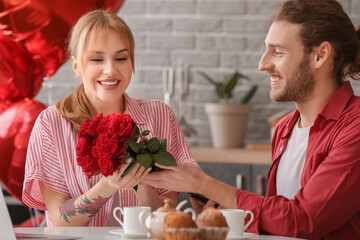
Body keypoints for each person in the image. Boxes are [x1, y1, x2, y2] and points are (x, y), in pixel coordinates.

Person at [143, 0, 360, 239]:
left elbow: (304, 220)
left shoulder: (354, 126)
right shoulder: (284, 128)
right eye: (266, 49)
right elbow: (278, 219)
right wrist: (214, 198)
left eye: (277, 52)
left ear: (320, 55)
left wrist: (204, 183)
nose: (262, 64)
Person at [22, 10, 196, 227]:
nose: (110, 70)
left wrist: (141, 183)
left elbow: (168, 217)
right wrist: (110, 184)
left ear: (132, 63)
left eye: (121, 58)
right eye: (97, 59)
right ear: (76, 65)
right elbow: (58, 220)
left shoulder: (159, 116)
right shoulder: (51, 124)